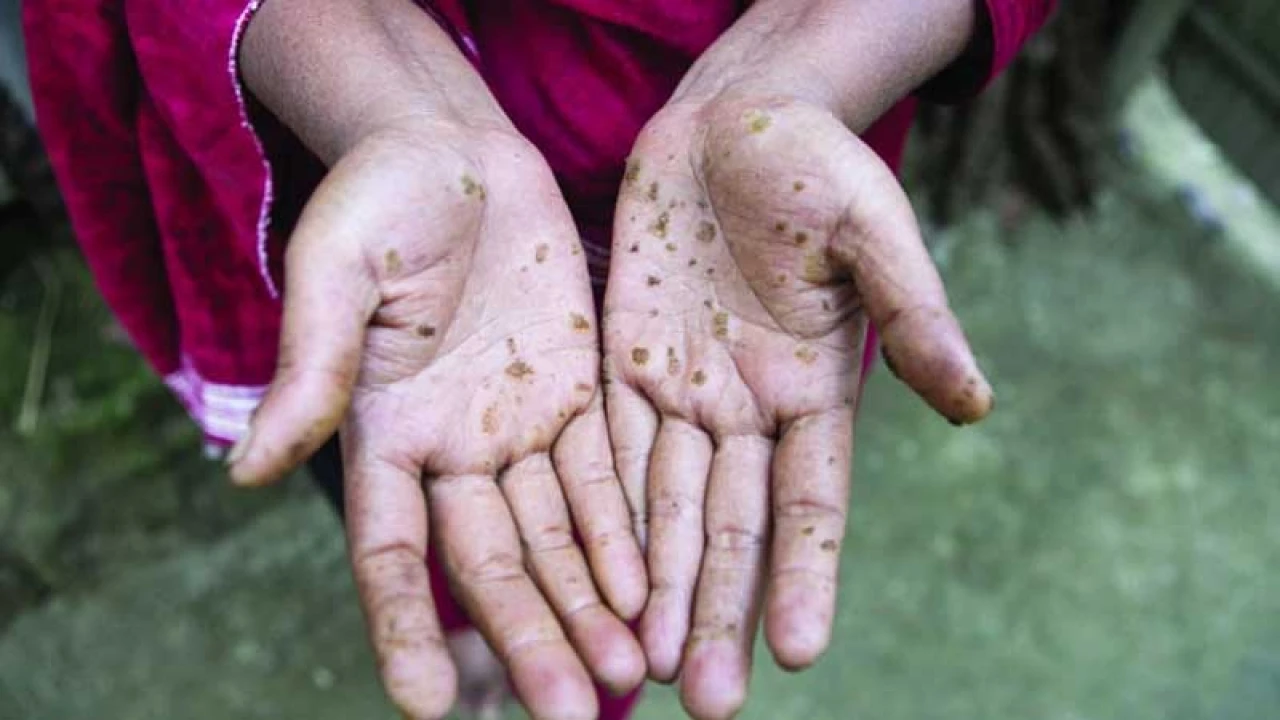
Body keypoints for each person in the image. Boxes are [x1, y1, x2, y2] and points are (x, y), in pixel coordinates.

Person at [24, 0, 1054, 718]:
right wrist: (387, 92)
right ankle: (468, 626)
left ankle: (566, 660)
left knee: (661, 509)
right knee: (405, 441)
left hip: (738, 240)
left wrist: (802, 66)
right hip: (353, 140)